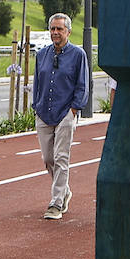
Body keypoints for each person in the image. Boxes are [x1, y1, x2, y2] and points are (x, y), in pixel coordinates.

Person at [33, 13, 90, 220]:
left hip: (66, 112)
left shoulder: (78, 54)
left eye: (59, 29)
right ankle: (64, 191)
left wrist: (74, 110)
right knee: (48, 158)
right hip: (43, 112)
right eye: (53, 29)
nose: (55, 33)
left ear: (68, 31)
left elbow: (83, 84)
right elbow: (38, 82)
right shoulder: (42, 54)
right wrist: (35, 106)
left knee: (61, 157)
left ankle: (56, 202)